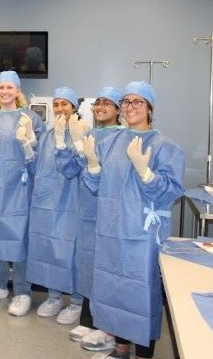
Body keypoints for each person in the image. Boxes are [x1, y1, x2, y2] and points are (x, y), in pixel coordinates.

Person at [81, 81, 184, 359]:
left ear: (150, 108)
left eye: (138, 102)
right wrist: (91, 165)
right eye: (126, 102)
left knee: (141, 291)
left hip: (143, 234)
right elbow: (95, 185)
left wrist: (146, 173)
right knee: (115, 288)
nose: (130, 107)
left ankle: (143, 354)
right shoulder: (111, 141)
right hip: (111, 229)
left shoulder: (166, 146)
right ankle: (120, 349)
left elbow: (170, 191)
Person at [0, 70, 45, 316]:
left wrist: (29, 140)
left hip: (20, 187)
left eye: (10, 88)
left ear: (18, 91)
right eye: (1, 88)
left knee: (19, 236)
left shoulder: (31, 118)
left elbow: (38, 160)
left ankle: (23, 291)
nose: (5, 92)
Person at [60, 87, 124, 350]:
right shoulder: (89, 135)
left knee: (108, 267)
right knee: (88, 263)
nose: (101, 107)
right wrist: (74, 146)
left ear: (119, 109)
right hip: (87, 209)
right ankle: (89, 318)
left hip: (111, 211)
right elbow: (71, 170)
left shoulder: (124, 137)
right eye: (97, 103)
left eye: (108, 103)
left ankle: (109, 326)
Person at [26, 86, 86, 324]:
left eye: (65, 104)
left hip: (70, 203)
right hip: (45, 202)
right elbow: (35, 170)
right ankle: (53, 297)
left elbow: (75, 170)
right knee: (48, 249)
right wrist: (26, 146)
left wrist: (65, 142)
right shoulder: (48, 135)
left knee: (69, 252)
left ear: (74, 107)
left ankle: (76, 302)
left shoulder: (82, 132)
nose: (60, 109)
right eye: (57, 104)